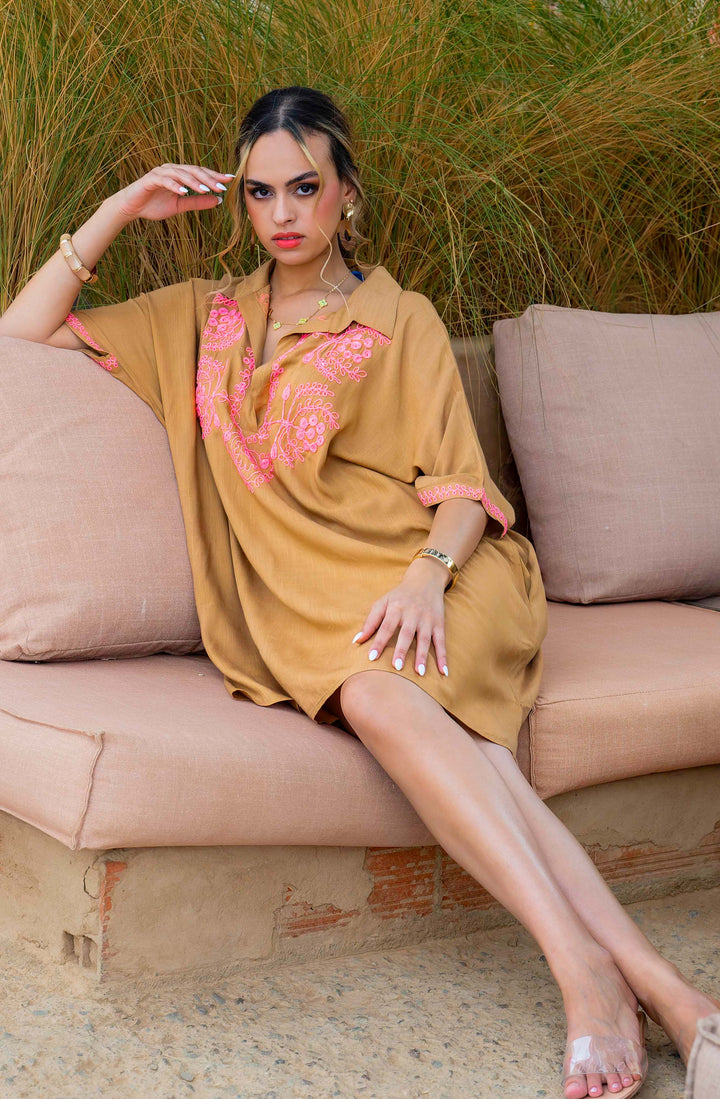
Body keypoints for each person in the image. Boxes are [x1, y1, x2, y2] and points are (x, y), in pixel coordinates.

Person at [1, 85, 716, 1098]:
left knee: (386, 696)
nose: (283, 213)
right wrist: (120, 209)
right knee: (470, 752)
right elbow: (18, 335)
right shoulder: (200, 317)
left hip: (441, 579)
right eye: (260, 193)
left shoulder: (399, 317)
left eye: (305, 187)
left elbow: (463, 485)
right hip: (304, 613)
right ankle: (668, 994)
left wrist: (426, 579)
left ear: (348, 194)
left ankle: (587, 973)